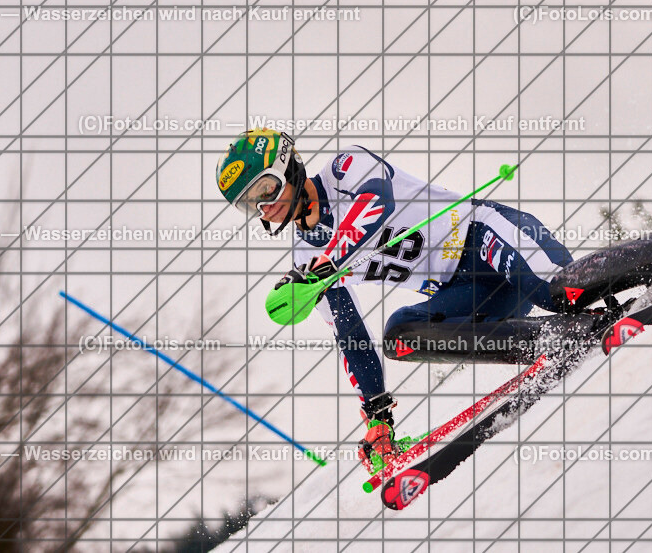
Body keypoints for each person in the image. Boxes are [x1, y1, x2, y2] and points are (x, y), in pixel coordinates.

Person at [216, 128, 583, 473]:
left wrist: (331, 263)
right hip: (465, 294)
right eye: (250, 204)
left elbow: (378, 201)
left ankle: (614, 285)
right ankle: (550, 339)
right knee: (399, 337)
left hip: (485, 236)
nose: (263, 207)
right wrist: (377, 416)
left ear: (289, 166)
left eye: (265, 189)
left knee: (561, 292)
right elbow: (349, 332)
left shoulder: (344, 169)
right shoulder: (304, 260)